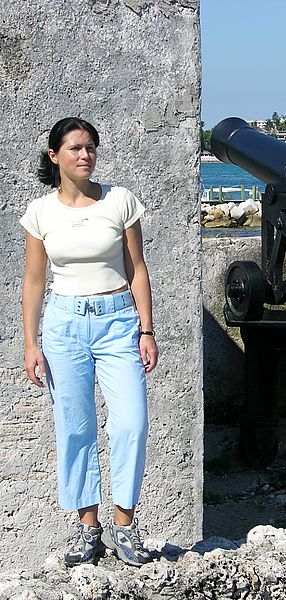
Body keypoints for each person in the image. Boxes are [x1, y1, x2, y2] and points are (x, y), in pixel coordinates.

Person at [20, 117, 159, 567]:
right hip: (63, 325)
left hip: (118, 321)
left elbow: (137, 268)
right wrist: (30, 343)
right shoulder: (41, 212)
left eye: (91, 148)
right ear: (54, 155)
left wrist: (147, 329)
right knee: (75, 429)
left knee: (131, 424)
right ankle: (88, 529)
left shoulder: (120, 201)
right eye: (76, 148)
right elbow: (34, 280)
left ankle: (125, 526)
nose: (85, 155)